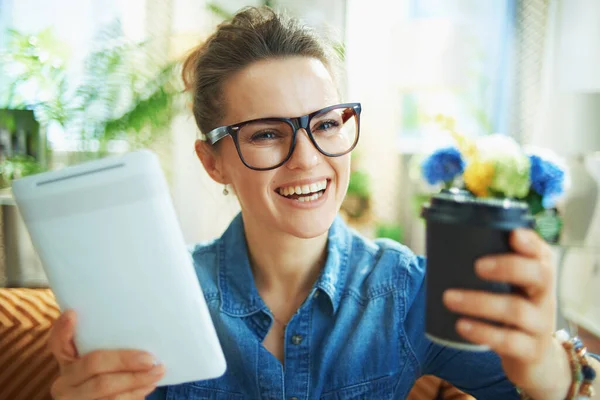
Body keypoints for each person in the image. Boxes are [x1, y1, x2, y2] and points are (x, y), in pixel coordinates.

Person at [47, 6, 599, 400]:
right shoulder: (157, 304)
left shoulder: (406, 291)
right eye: (266, 133)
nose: (308, 159)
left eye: (328, 124)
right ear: (213, 161)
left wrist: (548, 373)